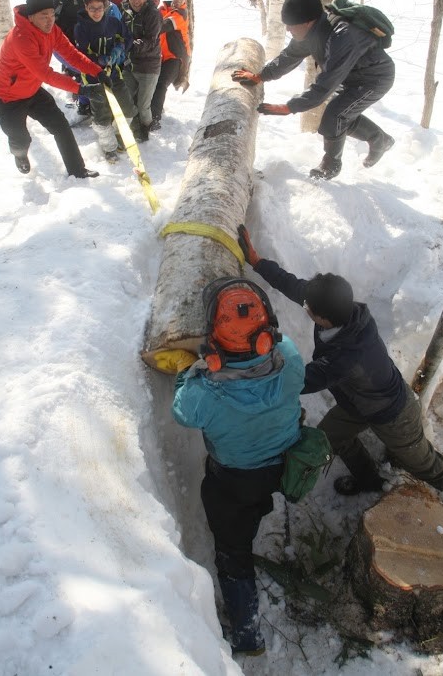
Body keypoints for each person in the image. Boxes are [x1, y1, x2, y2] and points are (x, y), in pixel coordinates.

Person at [237, 224, 443, 528]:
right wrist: (258, 261)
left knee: (421, 462)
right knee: (329, 438)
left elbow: (303, 381)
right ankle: (368, 479)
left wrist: (255, 374)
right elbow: (294, 286)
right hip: (357, 403)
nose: (305, 307)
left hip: (391, 412)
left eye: (309, 309)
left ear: (323, 318)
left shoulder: (347, 356)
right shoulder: (339, 309)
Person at [155, 277, 305, 655]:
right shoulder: (290, 358)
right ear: (266, 333)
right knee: (257, 501)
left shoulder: (204, 393)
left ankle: (247, 633)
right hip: (280, 463)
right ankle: (258, 513)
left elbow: (182, 412)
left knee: (232, 550)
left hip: (233, 482)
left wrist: (189, 373)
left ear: (216, 345)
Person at [232, 0, 396, 181]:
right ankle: (380, 140)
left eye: (291, 26)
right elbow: (290, 56)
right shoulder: (312, 31)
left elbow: (325, 84)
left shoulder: (344, 38)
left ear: (308, 22)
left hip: (374, 79)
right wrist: (260, 76)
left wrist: (289, 107)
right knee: (341, 117)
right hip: (352, 77)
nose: (288, 30)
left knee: (335, 116)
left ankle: (332, 163)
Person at [0, 0, 111, 177]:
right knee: (21, 140)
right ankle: (19, 154)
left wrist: (98, 72)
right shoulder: (21, 38)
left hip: (32, 89)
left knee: (60, 126)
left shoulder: (51, 30)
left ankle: (77, 170)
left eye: (52, 14)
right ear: (31, 17)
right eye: (44, 15)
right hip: (7, 97)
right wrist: (81, 89)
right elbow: (46, 73)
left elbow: (71, 54)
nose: (50, 20)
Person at [74, 0, 135, 163]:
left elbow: (127, 38)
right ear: (86, 7)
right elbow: (80, 53)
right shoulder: (81, 28)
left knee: (128, 109)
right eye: (92, 8)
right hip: (93, 78)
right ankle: (109, 147)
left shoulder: (114, 22)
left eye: (99, 7)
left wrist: (121, 48)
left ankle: (118, 135)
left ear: (105, 6)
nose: (96, 12)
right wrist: (98, 60)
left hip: (114, 74)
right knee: (101, 115)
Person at [122, 0, 162, 142]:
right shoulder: (125, 10)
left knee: (143, 105)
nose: (136, 0)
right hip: (130, 64)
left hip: (149, 65)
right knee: (127, 99)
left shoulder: (153, 14)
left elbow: (151, 40)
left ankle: (144, 131)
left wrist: (131, 45)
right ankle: (129, 129)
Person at [150, 0, 191, 131]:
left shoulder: (181, 14)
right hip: (159, 55)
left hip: (176, 57)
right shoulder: (162, 9)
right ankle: (153, 109)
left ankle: (154, 118)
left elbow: (162, 26)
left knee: (161, 84)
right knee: (151, 82)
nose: (179, 0)